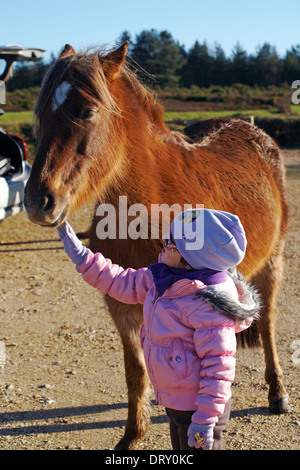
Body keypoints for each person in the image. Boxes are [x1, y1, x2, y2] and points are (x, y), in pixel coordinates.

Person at [56, 208, 260, 450]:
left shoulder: (209, 306)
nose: (164, 245)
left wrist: (205, 420)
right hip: (176, 400)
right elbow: (119, 281)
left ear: (191, 257)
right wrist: (82, 256)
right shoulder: (163, 277)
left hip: (200, 409)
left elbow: (219, 370)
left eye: (172, 243)